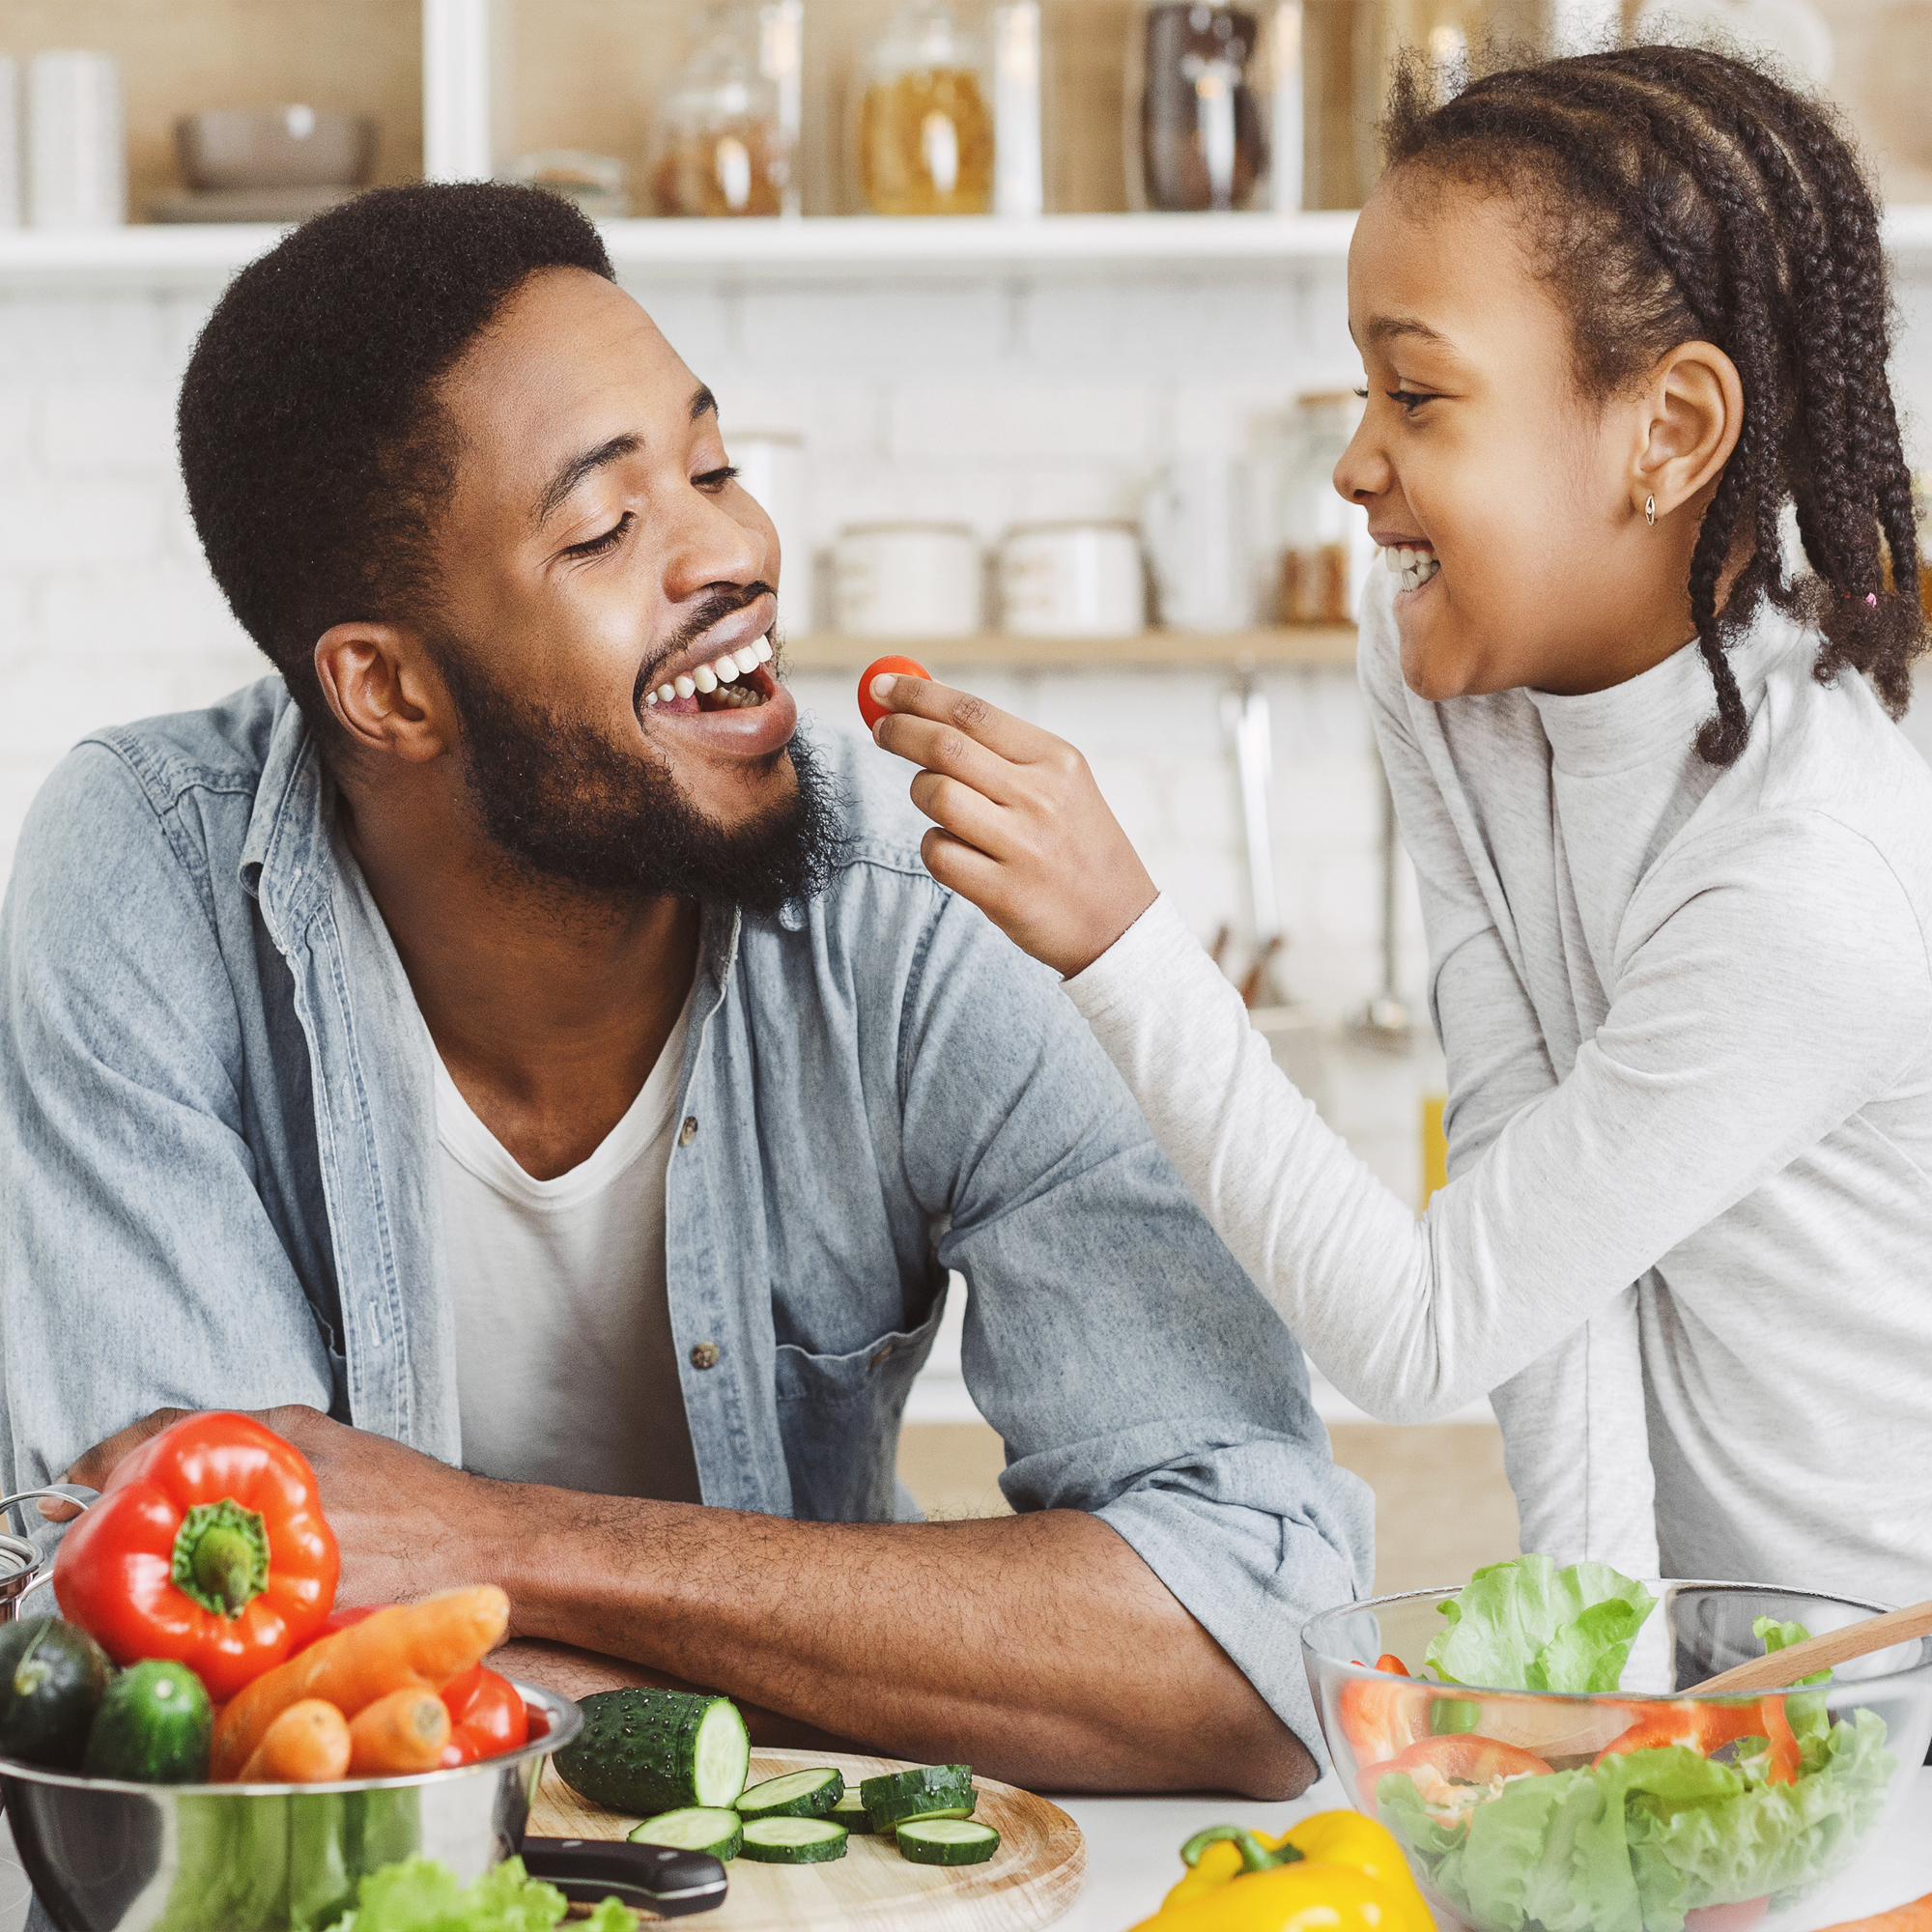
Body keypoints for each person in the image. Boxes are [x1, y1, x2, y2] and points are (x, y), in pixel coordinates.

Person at [0, 183, 1371, 1801]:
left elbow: (1266, 1650)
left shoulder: (925, 906)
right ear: (387, 687)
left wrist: (500, 1546)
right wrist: (912, 1673)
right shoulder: (147, 875)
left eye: (712, 467)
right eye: (604, 529)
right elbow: (205, 1666)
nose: (732, 549)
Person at [870, 44, 1932, 1606]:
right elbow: (1531, 1246)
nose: (1359, 465)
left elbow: (1425, 1330)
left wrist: (1125, 939)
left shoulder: (1807, 876)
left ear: (1670, 429)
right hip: (1733, 1681)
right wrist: (1609, 1697)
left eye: (1418, 395)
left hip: (1893, 1682)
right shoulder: (1448, 673)